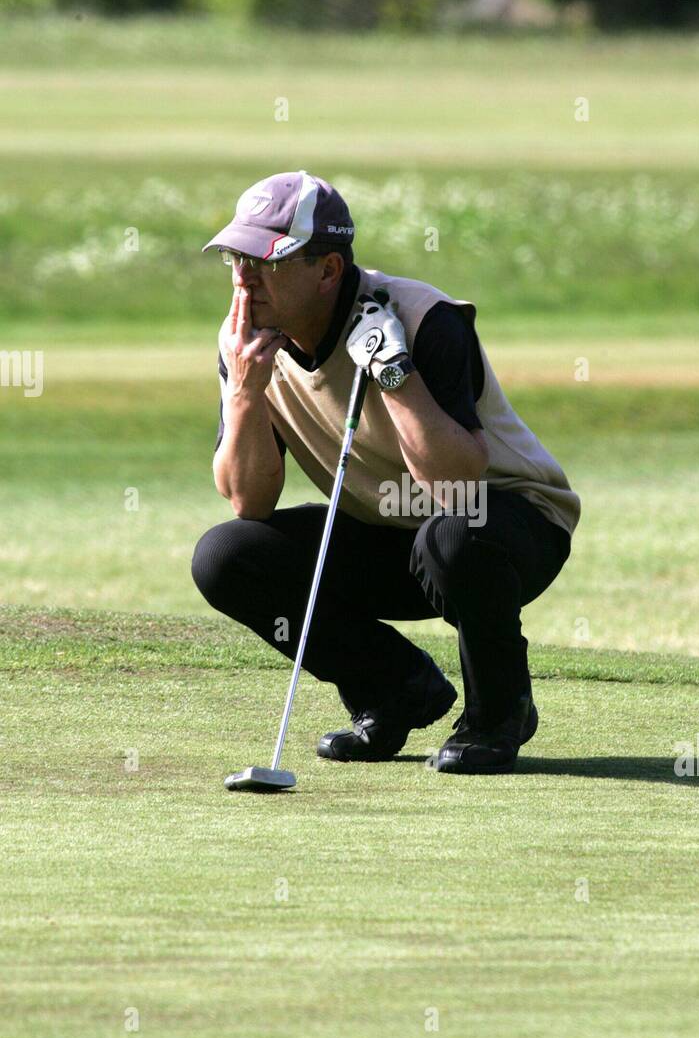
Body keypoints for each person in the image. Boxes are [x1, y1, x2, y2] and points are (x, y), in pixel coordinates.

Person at [191, 171, 580, 773]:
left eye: (267, 259)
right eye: (236, 258)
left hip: (505, 524)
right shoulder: (244, 343)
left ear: (328, 270)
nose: (244, 277)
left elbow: (453, 484)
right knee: (227, 554)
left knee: (451, 536)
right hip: (389, 530)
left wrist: (394, 371)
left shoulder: (424, 318)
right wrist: (245, 392)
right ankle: (395, 688)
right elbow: (250, 500)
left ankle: (498, 714)